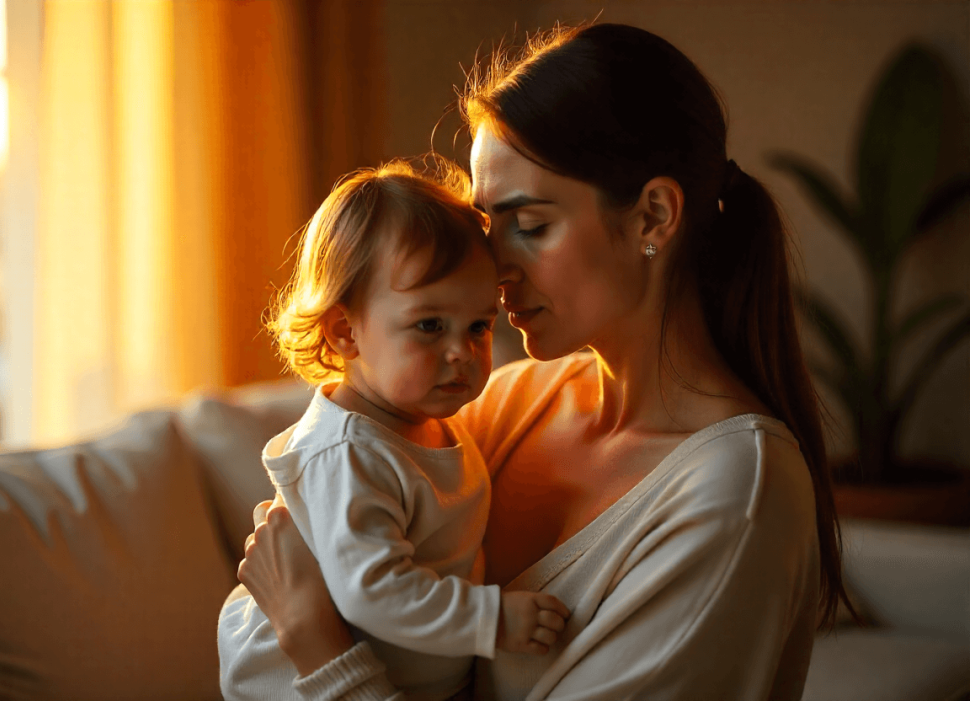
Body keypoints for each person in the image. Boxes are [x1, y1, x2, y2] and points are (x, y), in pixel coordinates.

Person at [236, 23, 854, 701]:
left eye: (529, 225)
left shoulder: (737, 495)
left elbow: (320, 604)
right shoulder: (508, 400)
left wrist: (311, 637)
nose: (494, 268)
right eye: (486, 226)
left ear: (652, 216)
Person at [217, 161, 572, 701]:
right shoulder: (346, 451)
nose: (462, 352)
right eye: (429, 325)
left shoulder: (431, 426)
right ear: (345, 332)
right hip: (294, 683)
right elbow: (372, 590)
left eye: (478, 325)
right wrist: (492, 620)